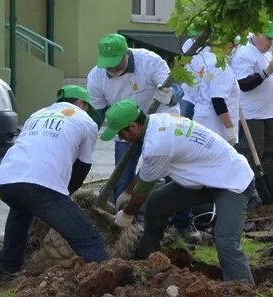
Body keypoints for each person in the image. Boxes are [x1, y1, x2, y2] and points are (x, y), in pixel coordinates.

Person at [104, 100, 257, 283]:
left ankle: (243, 290)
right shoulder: (158, 121)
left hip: (233, 181)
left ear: (134, 126)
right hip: (205, 179)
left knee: (226, 241)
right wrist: (128, 193)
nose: (122, 138)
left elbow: (145, 187)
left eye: (122, 133)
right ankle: (147, 257)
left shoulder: (157, 144)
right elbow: (147, 170)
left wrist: (127, 215)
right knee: (157, 202)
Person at [86, 33, 198, 241]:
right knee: (123, 177)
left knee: (175, 175)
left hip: (162, 123)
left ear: (127, 54)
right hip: (125, 127)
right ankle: (132, 228)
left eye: (116, 63)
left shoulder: (150, 61)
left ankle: (184, 224)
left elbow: (176, 89)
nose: (111, 69)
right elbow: (98, 113)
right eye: (107, 65)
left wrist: (171, 95)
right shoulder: (96, 76)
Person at [0, 86, 108, 281]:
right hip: (40, 185)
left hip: (6, 180)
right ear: (81, 103)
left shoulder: (37, 114)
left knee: (21, 212)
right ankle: (113, 280)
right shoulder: (85, 121)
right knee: (89, 240)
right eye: (87, 107)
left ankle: (4, 273)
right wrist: (66, 195)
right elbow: (83, 166)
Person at [231, 22, 273, 205]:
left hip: (269, 113)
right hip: (252, 116)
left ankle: (270, 195)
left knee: (270, 155)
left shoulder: (267, 53)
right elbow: (243, 84)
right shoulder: (245, 53)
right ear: (258, 34)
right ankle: (247, 195)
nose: (271, 42)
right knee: (252, 156)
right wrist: (267, 71)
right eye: (268, 38)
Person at [192, 41, 240, 146]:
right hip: (215, 125)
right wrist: (229, 129)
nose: (235, 46)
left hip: (200, 116)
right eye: (231, 41)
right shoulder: (221, 66)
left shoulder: (202, 61)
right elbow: (218, 100)